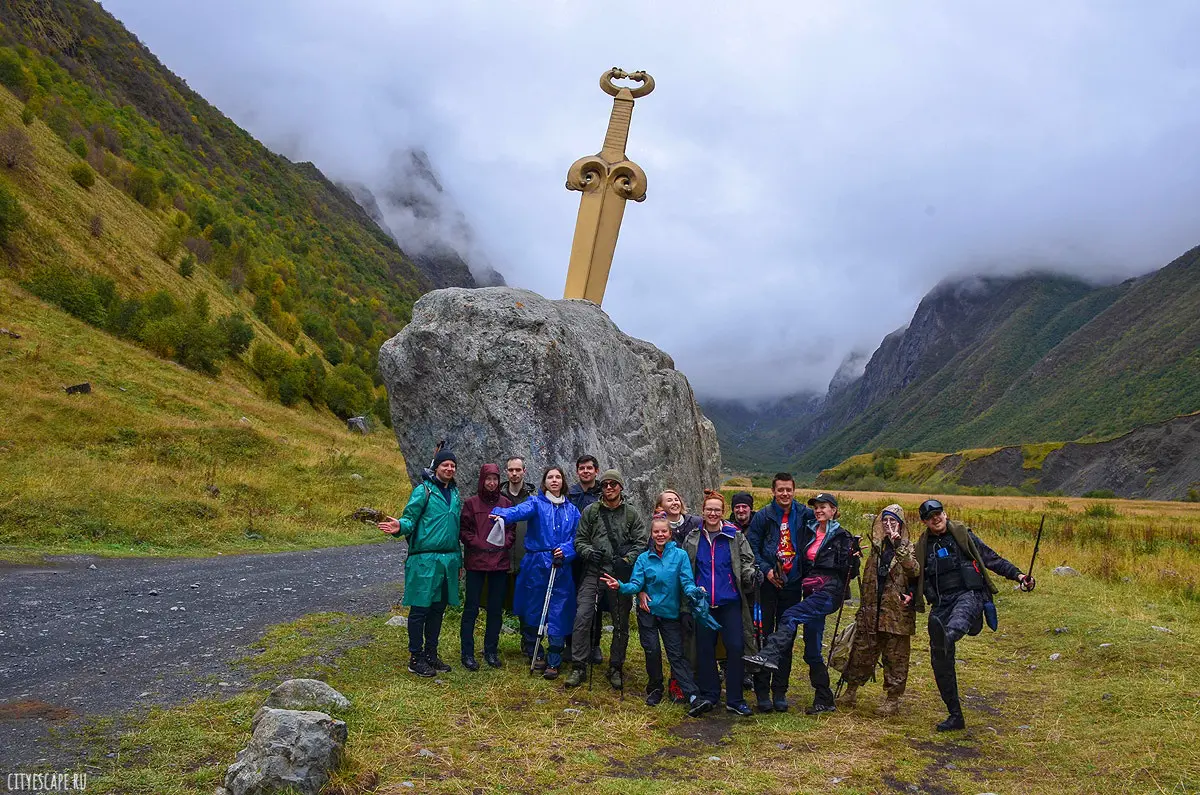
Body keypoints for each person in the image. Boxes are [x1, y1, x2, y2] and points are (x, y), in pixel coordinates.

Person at [913, 498, 1035, 731]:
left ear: (945, 513)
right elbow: (914, 578)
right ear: (925, 522)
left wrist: (1019, 576)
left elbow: (991, 558)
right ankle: (955, 715)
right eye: (930, 517)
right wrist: (910, 595)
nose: (935, 518)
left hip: (969, 593)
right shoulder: (922, 546)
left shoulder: (963, 535)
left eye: (938, 513)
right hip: (940, 603)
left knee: (959, 617)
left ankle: (948, 637)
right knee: (940, 660)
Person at [744, 492, 860, 715]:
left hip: (828, 592)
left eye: (824, 507)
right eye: (816, 507)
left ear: (834, 510)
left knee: (789, 616)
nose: (819, 510)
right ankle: (824, 698)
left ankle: (769, 654)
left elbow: (851, 572)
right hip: (810, 591)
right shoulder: (808, 531)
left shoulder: (843, 536)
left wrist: (853, 559)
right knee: (812, 647)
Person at [600, 514, 706, 711]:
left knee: (676, 654)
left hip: (670, 614)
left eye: (663, 531)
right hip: (647, 613)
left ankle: (693, 695)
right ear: (651, 534)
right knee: (652, 650)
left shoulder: (680, 556)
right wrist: (621, 586)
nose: (660, 535)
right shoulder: (643, 558)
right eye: (656, 532)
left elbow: (686, 581)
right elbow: (636, 584)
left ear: (670, 533)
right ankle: (655, 688)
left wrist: (694, 592)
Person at [489, 467, 581, 679]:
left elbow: (579, 537)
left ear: (563, 481)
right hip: (536, 565)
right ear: (544, 482)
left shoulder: (572, 510)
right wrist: (501, 513)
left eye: (558, 477)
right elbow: (518, 511)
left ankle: (554, 659)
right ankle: (535, 651)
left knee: (559, 611)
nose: (554, 480)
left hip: (561, 567)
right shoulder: (536, 503)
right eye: (550, 477)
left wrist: (566, 550)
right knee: (533, 608)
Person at [378, 449, 463, 678]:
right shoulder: (423, 491)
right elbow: (410, 518)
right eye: (445, 465)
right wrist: (400, 527)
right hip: (424, 559)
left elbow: (455, 531)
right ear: (436, 467)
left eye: (452, 465)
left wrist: (459, 562)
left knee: (438, 609)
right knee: (420, 609)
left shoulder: (455, 494)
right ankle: (415, 658)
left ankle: (431, 654)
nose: (449, 469)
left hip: (449, 560)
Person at [565, 469, 647, 689]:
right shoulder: (591, 511)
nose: (609, 488)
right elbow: (579, 540)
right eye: (605, 485)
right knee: (582, 617)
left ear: (620, 487)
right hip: (594, 571)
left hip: (619, 575)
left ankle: (616, 667)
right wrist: (589, 552)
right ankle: (579, 666)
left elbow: (641, 542)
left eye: (613, 484)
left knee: (620, 623)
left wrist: (628, 559)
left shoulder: (631, 514)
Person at [682, 490, 760, 717]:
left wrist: (750, 575)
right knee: (705, 649)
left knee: (735, 648)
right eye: (709, 509)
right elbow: (686, 569)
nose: (713, 513)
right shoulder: (693, 538)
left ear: (723, 512)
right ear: (703, 511)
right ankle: (709, 694)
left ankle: (735, 698)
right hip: (703, 604)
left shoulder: (735, 536)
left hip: (730, 602)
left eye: (717, 509)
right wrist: (688, 605)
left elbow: (747, 561)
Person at [838, 504, 919, 716]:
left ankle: (892, 700)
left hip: (897, 615)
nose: (888, 525)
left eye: (893, 521)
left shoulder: (909, 547)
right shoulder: (876, 548)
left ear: (901, 524)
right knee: (861, 652)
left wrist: (899, 545)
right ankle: (850, 691)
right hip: (871, 612)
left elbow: (914, 570)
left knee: (896, 658)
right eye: (885, 521)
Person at [744, 473, 815, 713]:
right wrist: (766, 570)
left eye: (789, 490)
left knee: (786, 636)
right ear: (773, 491)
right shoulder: (764, 516)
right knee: (763, 634)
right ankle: (762, 690)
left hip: (793, 584)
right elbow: (751, 545)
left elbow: (821, 531)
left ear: (794, 491)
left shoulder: (804, 514)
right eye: (780, 490)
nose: (785, 494)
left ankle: (780, 690)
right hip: (767, 584)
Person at [458, 463, 514, 671]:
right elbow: (464, 530)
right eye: (488, 479)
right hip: (476, 563)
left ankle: (491, 650)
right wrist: (478, 544)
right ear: (482, 480)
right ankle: (467, 653)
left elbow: (512, 529)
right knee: (471, 609)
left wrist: (505, 543)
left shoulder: (506, 503)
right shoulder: (471, 504)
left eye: (495, 479)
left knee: (495, 610)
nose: (492, 483)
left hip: (499, 563)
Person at [568, 454, 605, 666]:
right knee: (571, 598)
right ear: (577, 471)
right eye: (582, 468)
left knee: (596, 602)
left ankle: (595, 643)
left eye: (590, 468)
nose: (586, 471)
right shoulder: (570, 493)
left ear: (596, 471)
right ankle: (569, 643)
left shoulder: (603, 493)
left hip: (594, 554)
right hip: (572, 553)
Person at [500, 456, 538, 655]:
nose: (514, 473)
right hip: (501, 559)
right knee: (497, 603)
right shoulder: (498, 496)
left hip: (526, 559)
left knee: (527, 605)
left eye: (518, 470)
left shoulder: (534, 498)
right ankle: (492, 645)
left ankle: (528, 643)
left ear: (524, 471)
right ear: (506, 472)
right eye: (510, 470)